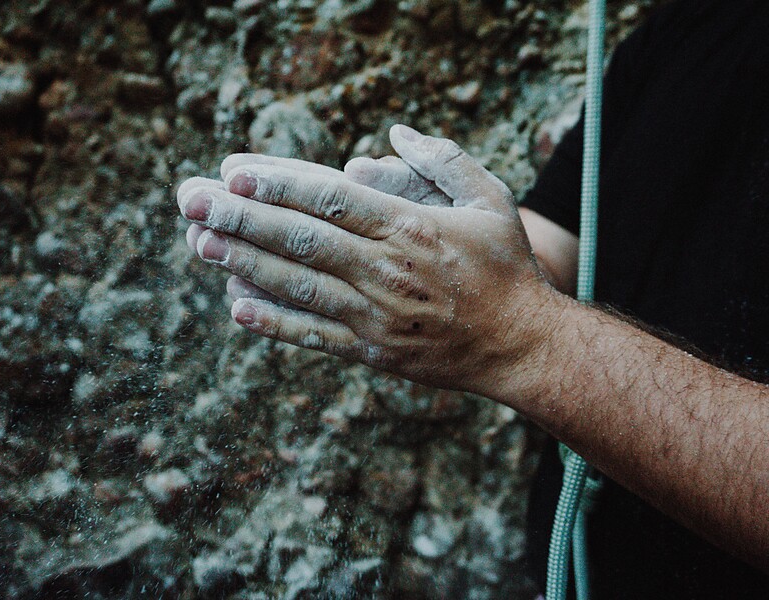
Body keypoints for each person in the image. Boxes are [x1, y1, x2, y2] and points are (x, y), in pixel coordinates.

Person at [176, 0, 769, 596]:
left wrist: (519, 334)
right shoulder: (681, 32)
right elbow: (551, 246)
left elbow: (522, 313)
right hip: (580, 571)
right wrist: (426, 244)